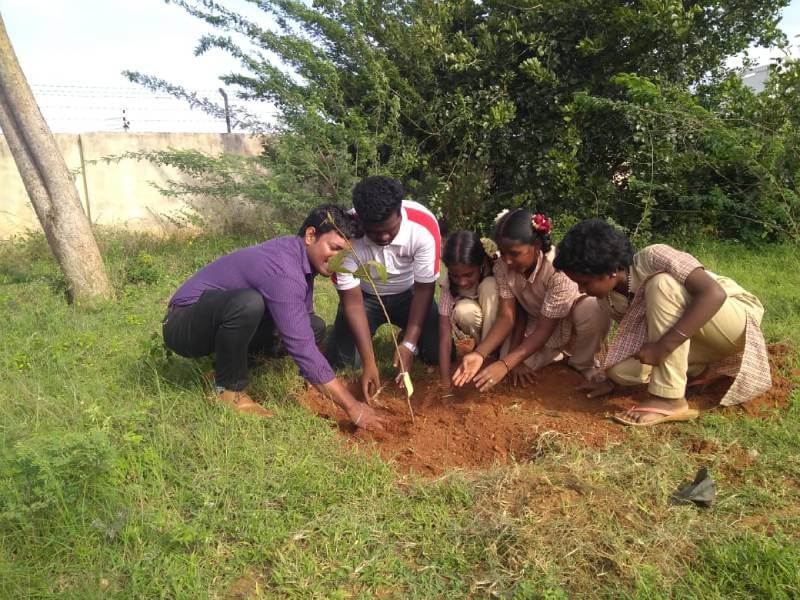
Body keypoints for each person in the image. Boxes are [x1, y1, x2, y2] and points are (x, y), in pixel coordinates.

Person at [162, 204, 386, 431]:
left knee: (313, 326)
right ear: (310, 235)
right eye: (334, 247)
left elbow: (300, 326)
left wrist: (312, 375)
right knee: (248, 304)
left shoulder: (300, 256)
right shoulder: (283, 268)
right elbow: (300, 346)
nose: (337, 259)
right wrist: (352, 407)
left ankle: (223, 368)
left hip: (217, 320)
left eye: (344, 254)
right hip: (182, 324)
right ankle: (229, 390)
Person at [553, 218, 771, 426]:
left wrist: (663, 346)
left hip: (734, 324)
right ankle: (701, 371)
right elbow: (648, 333)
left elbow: (713, 294)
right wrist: (610, 380)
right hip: (697, 342)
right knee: (618, 371)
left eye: (584, 283)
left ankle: (669, 399)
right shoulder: (608, 300)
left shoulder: (653, 257)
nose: (581, 290)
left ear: (610, 270)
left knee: (660, 284)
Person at [452, 209, 610, 392]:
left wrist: (505, 364)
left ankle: (582, 362)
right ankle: (559, 355)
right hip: (534, 325)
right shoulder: (503, 267)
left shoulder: (556, 269)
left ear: (536, 245)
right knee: (513, 363)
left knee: (592, 310)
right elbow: (508, 317)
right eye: (502, 253)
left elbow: (545, 329)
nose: (507, 260)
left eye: (514, 253)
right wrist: (480, 354)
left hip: (567, 322)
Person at [326, 176, 441, 400]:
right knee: (343, 362)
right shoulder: (346, 232)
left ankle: (403, 340)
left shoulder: (423, 227)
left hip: (411, 295)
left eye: (390, 229)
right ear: (360, 221)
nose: (384, 237)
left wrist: (410, 343)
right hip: (365, 297)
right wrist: (369, 363)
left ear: (400, 213)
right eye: (375, 232)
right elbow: (352, 301)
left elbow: (425, 288)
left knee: (436, 352)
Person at [438, 230, 499, 393]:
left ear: (480, 265)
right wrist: (445, 381)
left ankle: (489, 355)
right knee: (463, 311)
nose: (462, 282)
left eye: (468, 274)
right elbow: (444, 334)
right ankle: (482, 351)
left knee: (489, 286)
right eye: (455, 276)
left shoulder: (497, 269)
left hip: (501, 327)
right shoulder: (448, 286)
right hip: (478, 325)